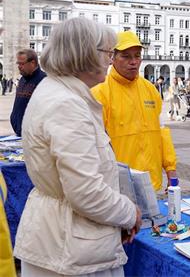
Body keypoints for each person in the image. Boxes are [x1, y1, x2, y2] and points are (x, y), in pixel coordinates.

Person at [14, 17, 141, 276]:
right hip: (70, 247)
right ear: (85, 54)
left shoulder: (58, 91)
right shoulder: (66, 104)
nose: (109, 60)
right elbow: (86, 192)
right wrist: (130, 213)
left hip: (64, 239)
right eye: (107, 52)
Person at [91, 31, 177, 192]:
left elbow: (162, 132)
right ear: (112, 58)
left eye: (137, 56)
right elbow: (94, 144)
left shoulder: (150, 89)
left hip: (151, 182)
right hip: (118, 186)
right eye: (126, 56)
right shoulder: (100, 92)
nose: (133, 62)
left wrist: (171, 169)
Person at [10, 49, 46, 136]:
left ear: (33, 63)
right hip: (19, 133)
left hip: (34, 135)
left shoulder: (44, 80)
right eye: (18, 63)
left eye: (22, 63)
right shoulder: (22, 79)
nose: (19, 66)